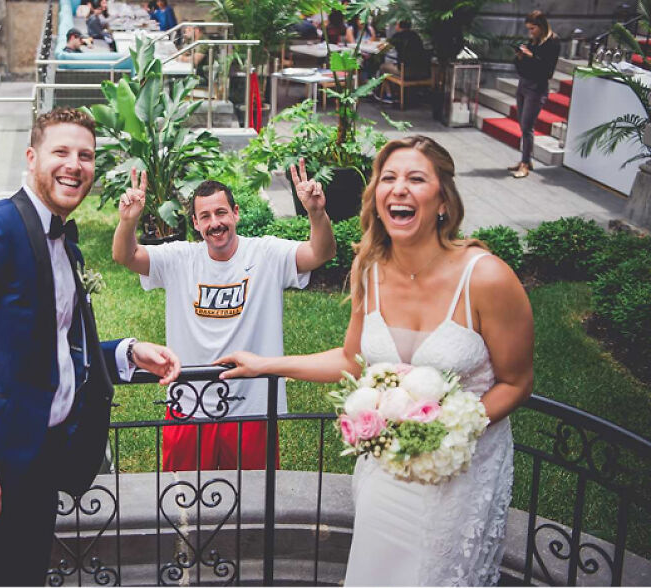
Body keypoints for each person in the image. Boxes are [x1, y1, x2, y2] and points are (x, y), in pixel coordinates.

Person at [218, 136, 534, 586]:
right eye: (388, 179)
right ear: (376, 199)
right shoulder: (369, 268)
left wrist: (448, 430)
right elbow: (352, 360)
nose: (399, 189)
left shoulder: (486, 278)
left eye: (416, 179)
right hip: (385, 474)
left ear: (443, 199)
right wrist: (267, 364)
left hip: (459, 475)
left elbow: (517, 381)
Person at [0, 108, 181, 587]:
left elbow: (52, 341)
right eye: (61, 152)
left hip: (38, 460)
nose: (74, 165)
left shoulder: (62, 243)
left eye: (86, 156)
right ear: (32, 157)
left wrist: (126, 354)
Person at [111, 162, 336, 472]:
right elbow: (125, 256)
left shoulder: (266, 254)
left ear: (236, 213)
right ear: (195, 223)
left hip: (252, 406)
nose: (215, 223)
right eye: (205, 216)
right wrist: (128, 221)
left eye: (221, 213)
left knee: (253, 502)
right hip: (189, 403)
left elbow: (321, 253)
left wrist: (316, 213)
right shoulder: (179, 258)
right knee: (183, 502)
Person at [510, 10, 560, 178]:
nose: (530, 32)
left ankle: (525, 164)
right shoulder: (534, 41)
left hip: (537, 88)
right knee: (522, 125)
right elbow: (523, 68)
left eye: (532, 29)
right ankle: (526, 160)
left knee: (527, 126)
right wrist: (520, 57)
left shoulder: (552, 43)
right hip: (523, 84)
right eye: (529, 29)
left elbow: (547, 72)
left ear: (541, 26)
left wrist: (531, 57)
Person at [375, 20, 430, 104]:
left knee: (383, 67)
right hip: (422, 72)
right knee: (395, 64)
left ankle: (389, 95)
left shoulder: (397, 36)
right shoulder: (415, 35)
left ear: (399, 26)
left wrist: (380, 45)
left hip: (405, 72)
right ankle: (397, 92)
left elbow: (384, 48)